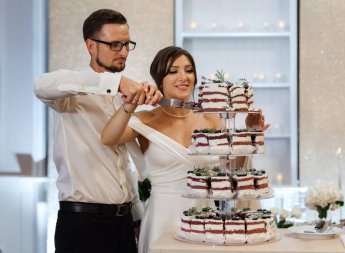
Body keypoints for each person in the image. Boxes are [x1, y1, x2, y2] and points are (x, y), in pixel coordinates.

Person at [101, 46, 269, 253]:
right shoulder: (147, 119)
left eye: (189, 70)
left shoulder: (212, 118)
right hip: (162, 219)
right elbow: (108, 137)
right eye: (173, 71)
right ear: (159, 79)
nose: (184, 77)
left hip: (204, 218)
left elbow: (232, 171)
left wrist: (251, 132)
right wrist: (130, 104)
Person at [34, 9, 162, 253]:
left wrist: (136, 218)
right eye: (115, 45)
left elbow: (122, 164)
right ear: (91, 46)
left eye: (126, 44)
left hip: (124, 223)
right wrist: (116, 82)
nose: (124, 52)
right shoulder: (69, 94)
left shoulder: (126, 95)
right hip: (82, 225)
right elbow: (40, 85)